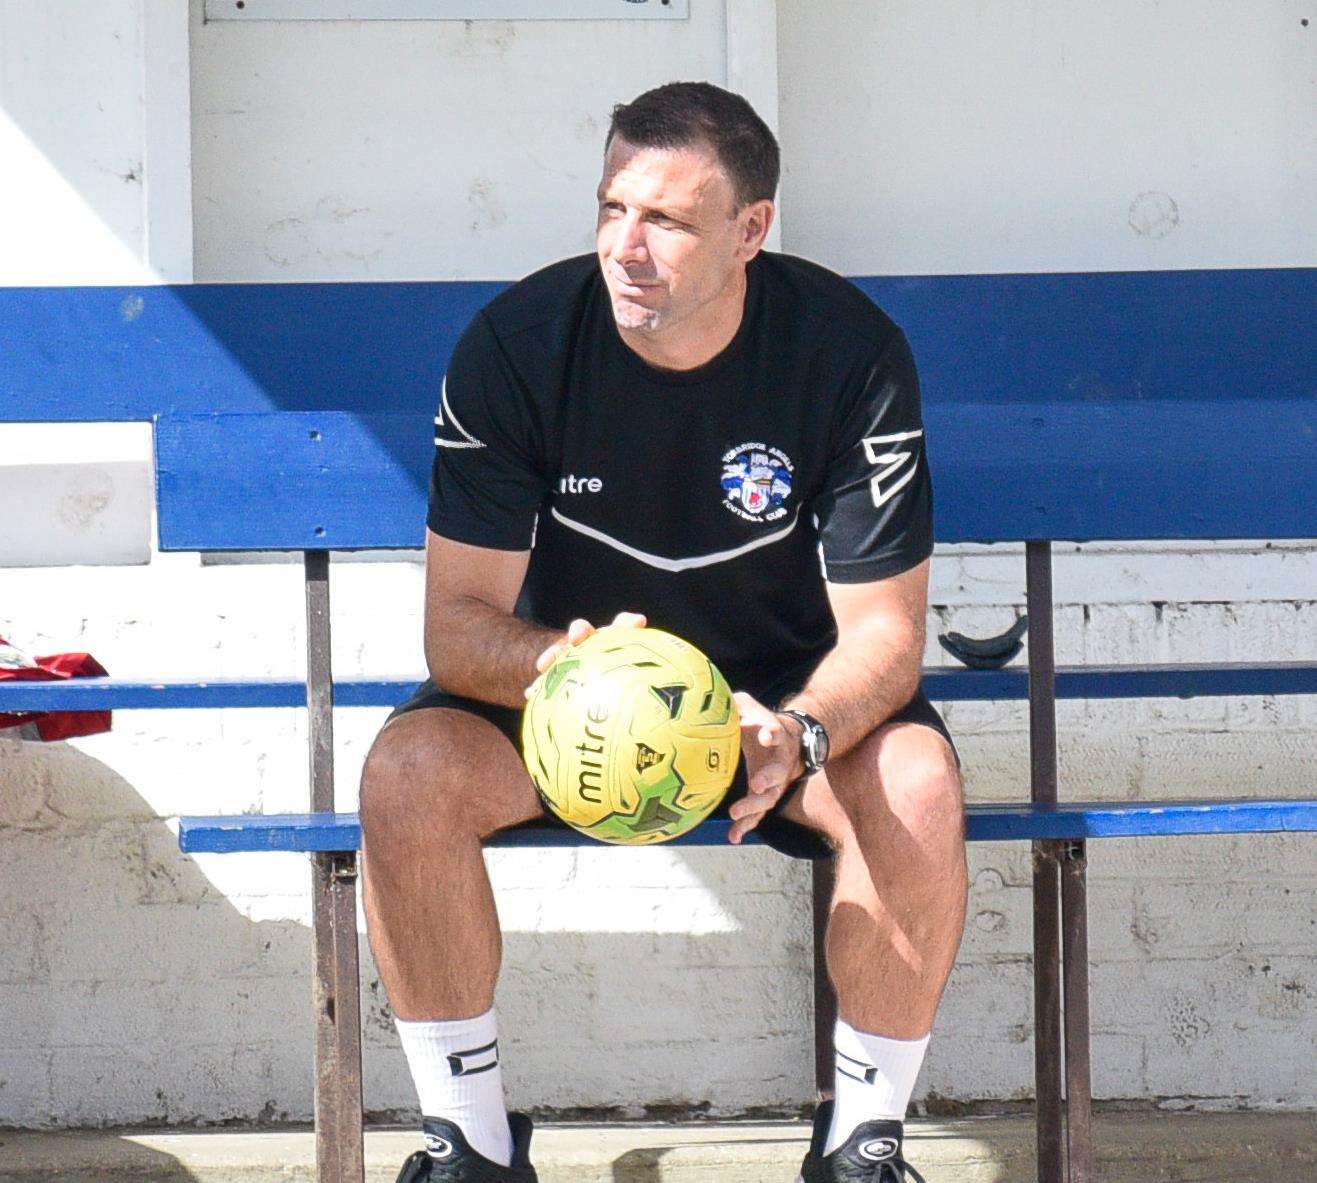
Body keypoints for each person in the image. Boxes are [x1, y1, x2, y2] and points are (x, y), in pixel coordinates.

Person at [361, 81, 967, 1183]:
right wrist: (573, 667)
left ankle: (862, 1147)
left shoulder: (848, 354)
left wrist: (800, 731)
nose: (624, 248)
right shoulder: (517, 347)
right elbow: (457, 628)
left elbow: (885, 634)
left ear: (750, 230)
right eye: (610, 208)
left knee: (917, 781)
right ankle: (470, 1147)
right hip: (574, 704)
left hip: (779, 708)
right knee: (409, 775)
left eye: (667, 221)